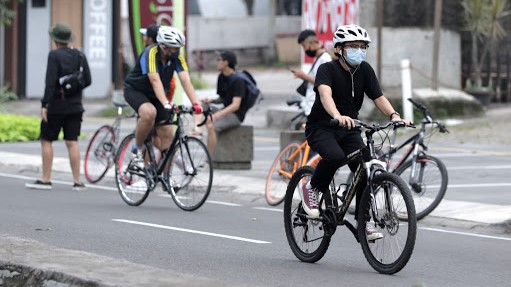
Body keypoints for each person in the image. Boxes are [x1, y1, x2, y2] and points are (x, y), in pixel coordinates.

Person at [301, 24, 411, 241]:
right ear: (339, 49)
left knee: (365, 172)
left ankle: (365, 222)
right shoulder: (327, 69)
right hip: (322, 127)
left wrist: (394, 116)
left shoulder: (365, 70)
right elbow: (325, 95)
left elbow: (378, 97)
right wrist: (337, 116)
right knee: (334, 156)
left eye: (362, 46)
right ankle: (312, 188)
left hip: (350, 128)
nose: (358, 50)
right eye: (353, 46)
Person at [123, 26, 202, 186]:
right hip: (136, 90)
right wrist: (165, 103)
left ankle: (167, 176)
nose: (177, 51)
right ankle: (137, 149)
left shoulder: (176, 57)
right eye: (175, 48)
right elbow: (154, 80)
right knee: (149, 112)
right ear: (163, 46)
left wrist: (196, 104)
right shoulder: (151, 52)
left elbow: (185, 79)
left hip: (156, 94)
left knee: (167, 133)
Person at [25, 23, 91, 191]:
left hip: (56, 106)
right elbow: (88, 80)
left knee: (47, 140)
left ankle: (46, 179)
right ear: (69, 39)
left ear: (55, 39)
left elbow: (50, 83)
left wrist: (44, 104)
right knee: (72, 141)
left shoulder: (54, 56)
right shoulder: (80, 55)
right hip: (76, 106)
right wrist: (74, 91)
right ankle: (77, 181)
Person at [201, 50, 248, 155]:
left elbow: (235, 105)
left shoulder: (238, 80)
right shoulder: (221, 77)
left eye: (219, 60)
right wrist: (211, 101)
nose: (217, 62)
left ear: (226, 62)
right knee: (202, 105)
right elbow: (223, 99)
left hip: (235, 116)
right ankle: (197, 129)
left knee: (211, 126)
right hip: (224, 112)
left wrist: (216, 116)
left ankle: (209, 160)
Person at [292, 29, 332, 116]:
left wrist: (303, 76)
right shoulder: (319, 58)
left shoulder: (325, 59)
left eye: (304, 46)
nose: (305, 49)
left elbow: (324, 82)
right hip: (311, 105)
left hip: (317, 107)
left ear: (312, 43)